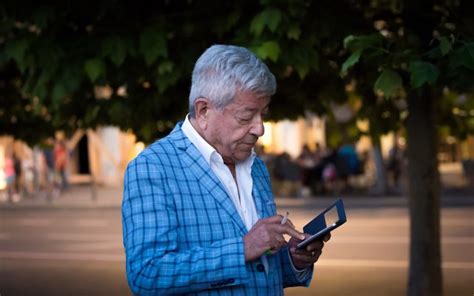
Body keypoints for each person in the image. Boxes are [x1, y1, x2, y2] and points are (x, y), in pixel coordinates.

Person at [122, 44, 330, 295]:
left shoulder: (256, 166)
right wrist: (242, 248)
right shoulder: (152, 168)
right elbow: (147, 275)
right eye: (246, 117)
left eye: (263, 114)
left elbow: (261, 271)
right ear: (204, 111)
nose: (260, 129)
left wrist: (295, 259)